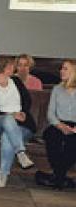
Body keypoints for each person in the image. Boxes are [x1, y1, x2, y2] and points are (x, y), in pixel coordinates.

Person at [0, 55, 37, 187]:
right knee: (8, 119)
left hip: (21, 124)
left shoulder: (16, 81)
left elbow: (27, 101)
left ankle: (3, 175)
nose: (14, 68)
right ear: (3, 68)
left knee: (7, 136)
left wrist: (22, 112)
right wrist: (10, 114)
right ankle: (21, 152)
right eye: (10, 66)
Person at [35, 59, 76, 189]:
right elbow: (51, 113)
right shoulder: (57, 89)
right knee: (51, 135)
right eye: (61, 68)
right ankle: (61, 178)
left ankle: (57, 177)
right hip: (59, 124)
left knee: (72, 143)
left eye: (65, 69)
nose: (61, 71)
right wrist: (60, 125)